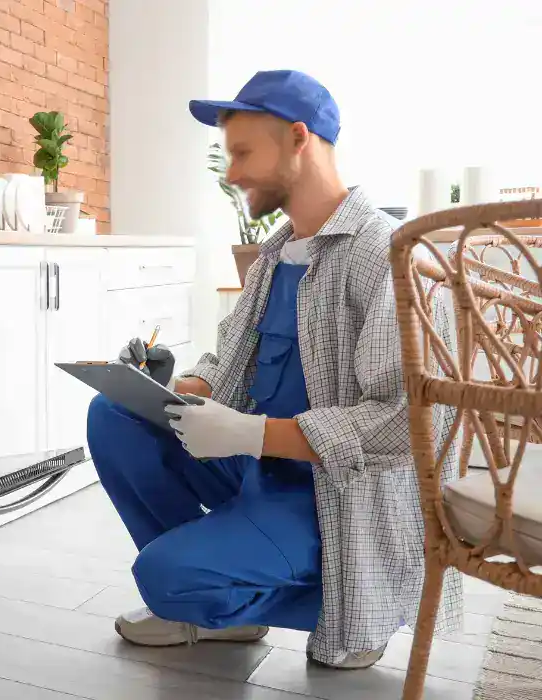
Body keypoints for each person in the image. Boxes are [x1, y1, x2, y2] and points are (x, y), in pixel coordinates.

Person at [86, 69, 462, 669]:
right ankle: (228, 600)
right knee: (114, 414)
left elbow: (411, 424)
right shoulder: (274, 257)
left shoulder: (389, 256)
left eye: (242, 152)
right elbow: (229, 371)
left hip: (336, 498)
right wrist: (169, 384)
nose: (231, 173)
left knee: (163, 577)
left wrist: (250, 434)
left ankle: (351, 606)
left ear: (297, 138)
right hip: (262, 472)